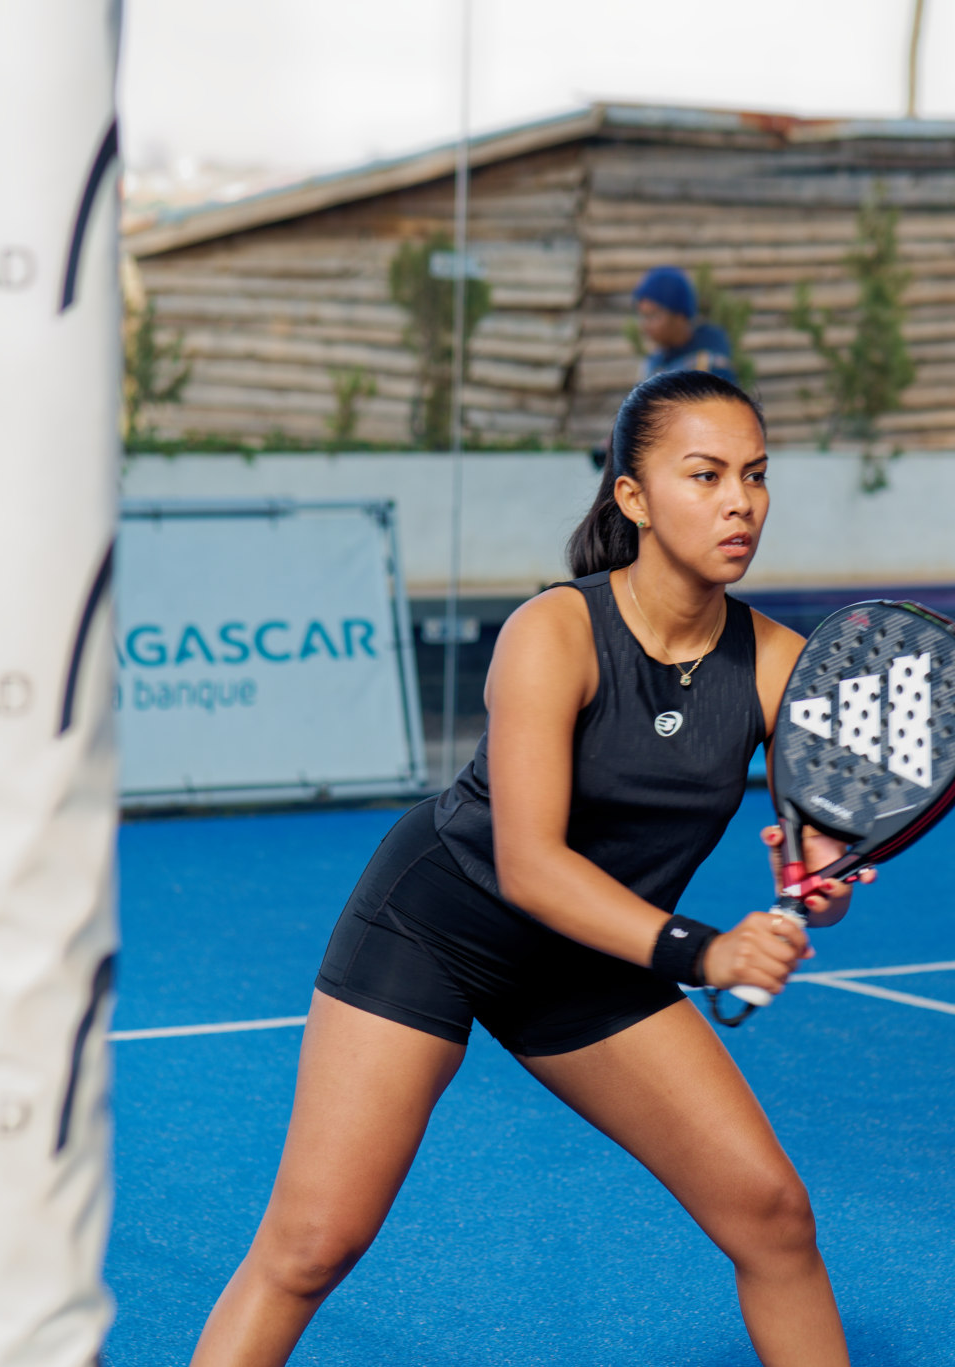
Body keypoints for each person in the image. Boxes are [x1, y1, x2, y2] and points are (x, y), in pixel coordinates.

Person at [191, 369, 868, 1367]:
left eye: (756, 475)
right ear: (634, 497)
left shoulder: (777, 662)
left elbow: (821, 857)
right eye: (706, 474)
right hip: (436, 930)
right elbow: (531, 866)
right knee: (311, 1244)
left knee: (772, 1213)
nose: (740, 502)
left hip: (593, 958)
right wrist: (706, 952)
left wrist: (820, 882)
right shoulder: (553, 632)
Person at [634, 265, 738, 385]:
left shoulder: (709, 368)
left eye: (653, 316)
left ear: (680, 316)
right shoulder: (654, 362)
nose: (645, 326)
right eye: (643, 316)